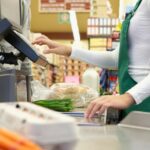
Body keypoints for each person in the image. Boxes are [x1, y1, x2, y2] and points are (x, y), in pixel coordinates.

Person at [33, 0, 150, 120]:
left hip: (144, 99)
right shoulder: (139, 5)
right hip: (136, 102)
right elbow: (117, 58)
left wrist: (128, 97)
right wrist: (70, 51)